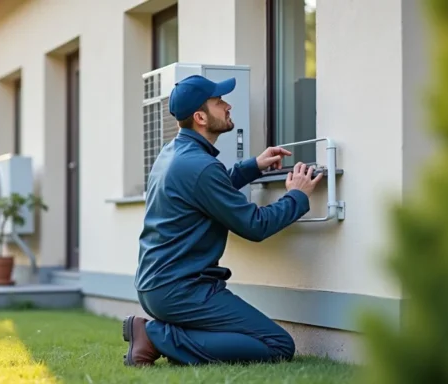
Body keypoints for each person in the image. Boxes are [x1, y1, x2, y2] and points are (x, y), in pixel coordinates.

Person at [122, 74, 323, 367]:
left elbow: (208, 190)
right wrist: (297, 197)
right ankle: (155, 336)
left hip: (157, 286)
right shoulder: (200, 166)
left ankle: (162, 336)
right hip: (181, 290)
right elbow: (255, 225)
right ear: (201, 117)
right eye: (219, 102)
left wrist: (253, 166)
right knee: (277, 345)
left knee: (245, 339)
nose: (228, 105)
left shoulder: (172, 153)